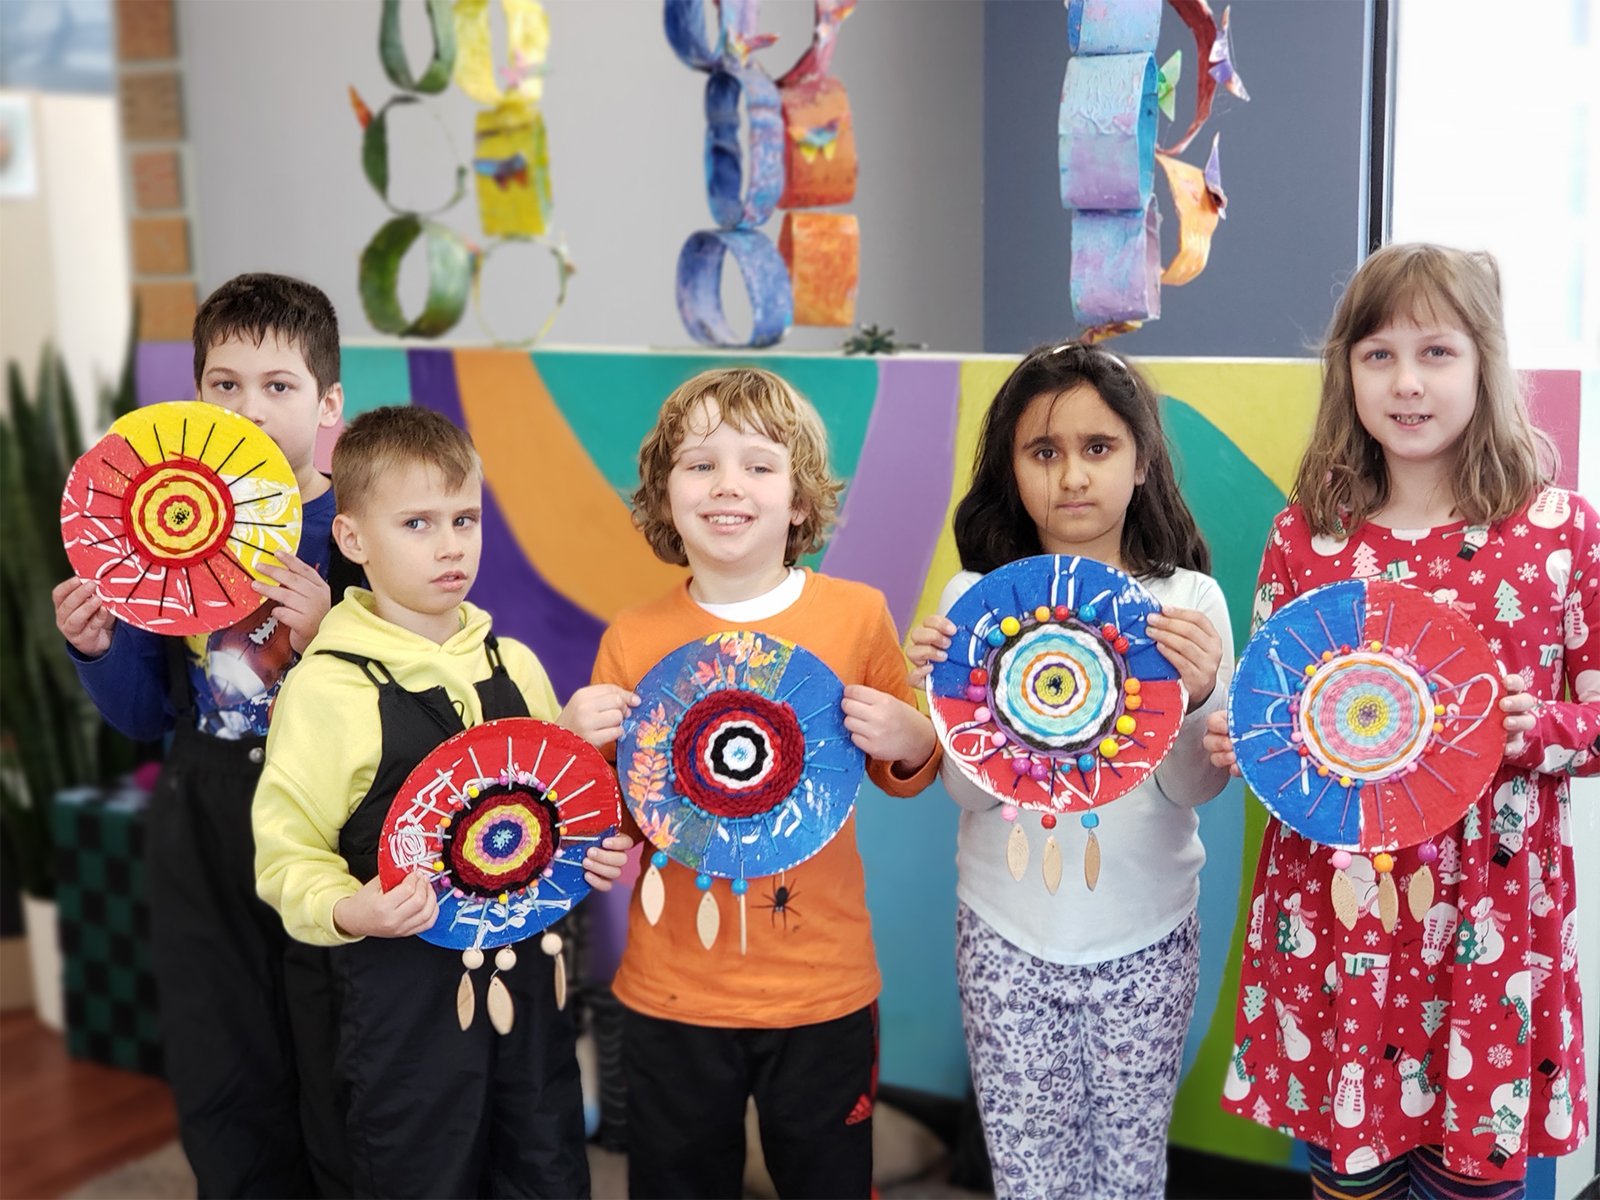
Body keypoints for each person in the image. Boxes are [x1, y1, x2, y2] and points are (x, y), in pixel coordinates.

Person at [1203, 243, 1591, 1195]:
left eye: (1437, 352)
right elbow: (1274, 705)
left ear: (1486, 362)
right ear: (1347, 372)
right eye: (1378, 355)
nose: (1406, 383)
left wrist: (1536, 730)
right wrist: (1251, 741)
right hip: (1341, 917)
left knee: (1471, 1176)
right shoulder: (1308, 536)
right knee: (1348, 1176)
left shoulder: (1559, 533)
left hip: (1487, 916)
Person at [252, 405, 634, 1198]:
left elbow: (559, 823)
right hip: (403, 1017)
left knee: (548, 1170)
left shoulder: (516, 664)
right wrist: (349, 908)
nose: (451, 545)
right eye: (418, 523)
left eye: (465, 519)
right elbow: (287, 855)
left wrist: (591, 851)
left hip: (532, 1000)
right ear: (353, 538)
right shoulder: (327, 687)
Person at [586, 366, 940, 1198]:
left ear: (801, 500)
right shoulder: (633, 638)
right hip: (672, 994)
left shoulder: (857, 616)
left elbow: (905, 776)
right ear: (665, 494)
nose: (727, 485)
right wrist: (584, 750)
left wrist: (915, 735)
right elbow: (624, 817)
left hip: (823, 990)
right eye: (700, 464)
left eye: (758, 465)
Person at [904, 341, 1232, 1198]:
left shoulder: (1189, 602)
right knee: (1028, 1174)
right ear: (1011, 470)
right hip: (1005, 932)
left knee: (1130, 1172)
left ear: (1141, 460)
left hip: (1149, 931)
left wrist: (1196, 697)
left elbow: (1193, 788)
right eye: (1044, 452)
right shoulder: (973, 601)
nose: (1074, 476)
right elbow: (966, 792)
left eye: (1099, 447)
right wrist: (949, 699)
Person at [53, 273, 351, 1197]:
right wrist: (96, 647)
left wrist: (328, 630)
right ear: (195, 396)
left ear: (328, 404)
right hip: (205, 808)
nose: (248, 408)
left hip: (332, 819)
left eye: (278, 385)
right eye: (225, 384)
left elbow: (410, 690)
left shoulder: (361, 524)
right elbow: (143, 713)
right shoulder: (158, 531)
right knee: (223, 1054)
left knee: (340, 1048)